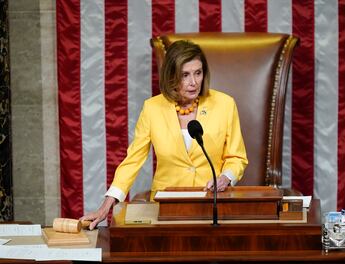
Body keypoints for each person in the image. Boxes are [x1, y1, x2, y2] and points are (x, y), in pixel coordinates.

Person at [81, 40, 248, 229]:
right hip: (166, 206)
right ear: (171, 76)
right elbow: (132, 161)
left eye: (198, 73)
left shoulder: (225, 104)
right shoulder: (152, 108)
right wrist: (106, 206)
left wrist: (226, 177)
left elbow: (236, 157)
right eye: (185, 75)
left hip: (212, 203)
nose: (193, 82)